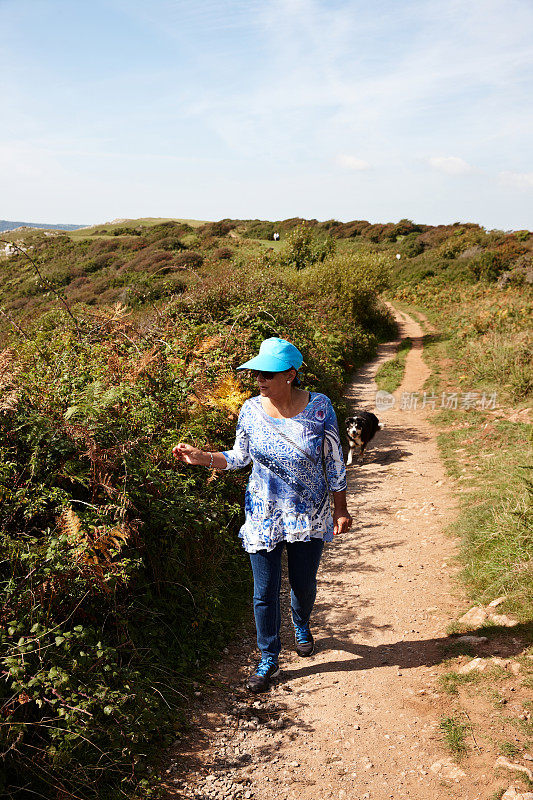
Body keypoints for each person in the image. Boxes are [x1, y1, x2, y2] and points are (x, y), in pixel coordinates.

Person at [173, 337, 352, 692]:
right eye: (256, 373)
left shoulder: (320, 407)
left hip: (309, 514)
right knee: (263, 591)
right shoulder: (251, 410)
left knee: (302, 584)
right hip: (264, 513)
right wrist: (203, 457)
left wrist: (340, 509)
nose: (259, 379)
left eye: (267, 373)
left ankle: (300, 623)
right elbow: (239, 456)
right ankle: (268, 657)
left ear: (291, 374)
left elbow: (333, 460)